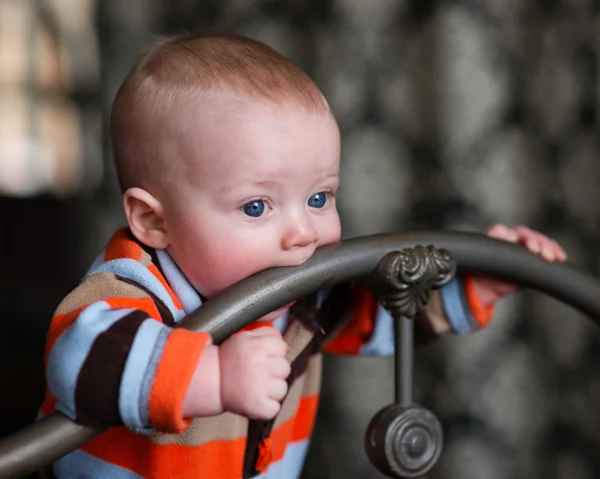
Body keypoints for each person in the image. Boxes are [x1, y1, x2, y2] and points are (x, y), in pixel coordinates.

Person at [38, 33, 567, 479]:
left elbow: (385, 314)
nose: (302, 233)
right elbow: (77, 363)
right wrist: (214, 376)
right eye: (256, 206)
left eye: (319, 198)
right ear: (155, 222)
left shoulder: (303, 295)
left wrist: (477, 285)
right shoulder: (130, 292)